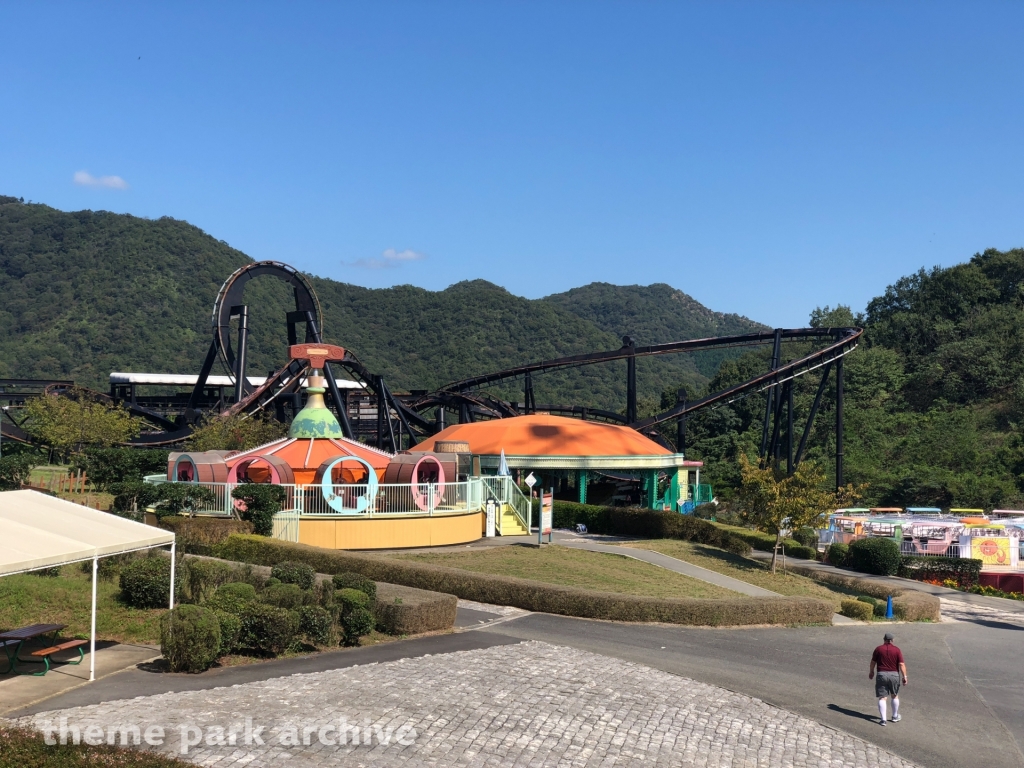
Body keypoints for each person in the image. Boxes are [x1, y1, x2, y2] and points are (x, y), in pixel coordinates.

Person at [869, 632, 908, 726]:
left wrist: (871, 672)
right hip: (894, 675)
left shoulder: (878, 649)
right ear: (892, 640)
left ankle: (883, 720)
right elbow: (901, 664)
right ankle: (894, 716)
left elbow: (873, 662)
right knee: (894, 695)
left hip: (881, 674)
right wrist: (904, 676)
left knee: (882, 697)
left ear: (884, 640)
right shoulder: (897, 650)